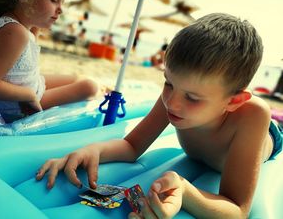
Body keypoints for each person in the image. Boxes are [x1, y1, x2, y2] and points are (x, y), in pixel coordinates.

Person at [36, 13, 283, 218]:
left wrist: (186, 192)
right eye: (167, 83)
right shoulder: (178, 96)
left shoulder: (251, 115)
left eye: (193, 98)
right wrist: (94, 150)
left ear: (233, 101)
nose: (171, 102)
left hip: (269, 138)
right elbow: (132, 145)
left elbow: (238, 209)